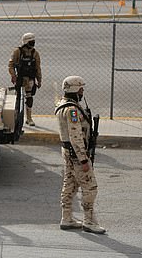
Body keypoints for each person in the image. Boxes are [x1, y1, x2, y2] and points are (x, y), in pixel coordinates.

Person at [55, 76, 106, 234]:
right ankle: (89, 221)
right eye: (81, 89)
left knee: (69, 184)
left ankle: (67, 218)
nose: (82, 91)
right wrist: (84, 159)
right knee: (90, 187)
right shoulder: (72, 110)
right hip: (77, 155)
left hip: (68, 153)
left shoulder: (62, 105)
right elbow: (75, 136)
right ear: (74, 90)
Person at [8, 33, 41, 127]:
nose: (33, 43)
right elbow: (11, 65)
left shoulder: (35, 53)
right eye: (31, 42)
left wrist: (39, 80)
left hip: (30, 80)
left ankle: (29, 118)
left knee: (29, 98)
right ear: (26, 42)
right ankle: (17, 117)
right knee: (18, 98)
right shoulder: (17, 52)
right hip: (20, 79)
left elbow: (38, 68)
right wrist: (13, 75)